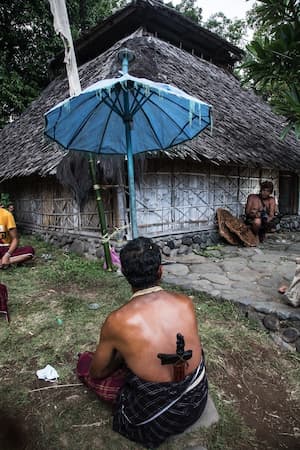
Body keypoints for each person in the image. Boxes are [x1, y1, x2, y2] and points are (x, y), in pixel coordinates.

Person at [77, 237, 208, 448]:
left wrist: (121, 356)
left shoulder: (118, 321)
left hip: (155, 419)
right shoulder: (185, 303)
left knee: (85, 363)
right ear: (160, 271)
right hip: (196, 399)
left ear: (126, 275)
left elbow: (97, 373)